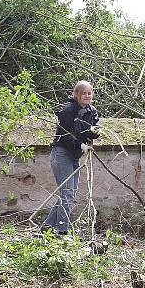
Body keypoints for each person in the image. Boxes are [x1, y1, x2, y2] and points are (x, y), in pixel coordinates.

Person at [43, 80, 100, 235]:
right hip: (61, 154)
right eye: (83, 93)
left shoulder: (91, 111)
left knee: (69, 194)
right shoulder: (68, 110)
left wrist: (94, 132)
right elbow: (65, 135)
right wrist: (80, 145)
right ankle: (62, 231)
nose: (87, 96)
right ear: (76, 95)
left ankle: (47, 226)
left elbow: (91, 129)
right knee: (67, 193)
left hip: (74, 156)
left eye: (89, 93)